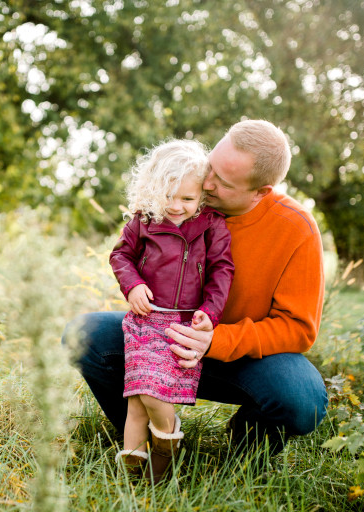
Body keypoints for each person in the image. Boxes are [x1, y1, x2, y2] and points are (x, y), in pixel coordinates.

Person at [63, 119, 328, 472]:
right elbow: (131, 251)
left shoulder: (295, 228)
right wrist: (135, 286)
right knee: (85, 335)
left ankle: (244, 450)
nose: (207, 183)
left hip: (240, 357)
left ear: (260, 192)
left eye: (223, 181)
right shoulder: (183, 200)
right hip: (165, 337)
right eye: (211, 167)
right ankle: (148, 439)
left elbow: (299, 329)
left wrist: (215, 340)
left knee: (302, 399)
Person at [108, 139, 234, 483]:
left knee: (149, 396)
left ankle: (163, 453)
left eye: (187, 199)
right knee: (139, 398)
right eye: (168, 196)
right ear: (153, 189)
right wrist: (132, 284)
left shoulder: (211, 226)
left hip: (183, 325)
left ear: (202, 197)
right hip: (146, 319)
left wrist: (211, 310)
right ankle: (137, 479)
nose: (176, 206)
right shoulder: (143, 221)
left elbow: (222, 270)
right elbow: (120, 256)